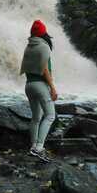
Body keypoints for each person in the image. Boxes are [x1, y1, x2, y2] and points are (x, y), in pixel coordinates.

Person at [19, 19, 58, 162]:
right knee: (50, 115)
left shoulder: (29, 46)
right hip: (40, 85)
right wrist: (52, 87)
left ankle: (33, 146)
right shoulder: (44, 46)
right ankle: (39, 147)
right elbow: (45, 69)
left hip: (29, 85)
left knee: (36, 118)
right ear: (43, 32)